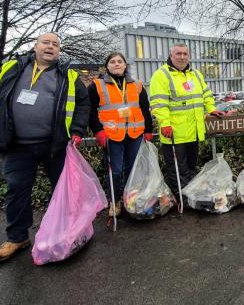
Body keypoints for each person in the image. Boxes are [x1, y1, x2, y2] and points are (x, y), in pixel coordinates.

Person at [0, 32, 90, 263]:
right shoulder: (11, 69)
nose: (50, 47)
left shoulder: (68, 75)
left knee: (63, 191)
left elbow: (82, 103)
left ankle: (65, 233)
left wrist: (77, 130)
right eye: (45, 42)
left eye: (55, 44)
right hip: (17, 145)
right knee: (16, 190)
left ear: (59, 51)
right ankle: (17, 237)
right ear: (35, 46)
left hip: (54, 145)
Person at [149, 43, 224, 197]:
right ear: (171, 55)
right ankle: (181, 197)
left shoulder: (195, 74)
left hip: (194, 131)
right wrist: (164, 123)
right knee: (177, 168)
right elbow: (158, 103)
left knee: (190, 166)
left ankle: (191, 195)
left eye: (185, 54)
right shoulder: (161, 75)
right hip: (174, 133)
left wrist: (211, 108)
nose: (182, 57)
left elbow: (206, 94)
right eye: (178, 54)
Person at [88, 52, 154, 217]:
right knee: (115, 171)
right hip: (111, 136)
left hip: (134, 134)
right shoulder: (96, 85)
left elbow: (145, 109)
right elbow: (89, 111)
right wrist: (98, 131)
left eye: (120, 61)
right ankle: (114, 201)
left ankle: (130, 199)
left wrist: (148, 130)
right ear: (107, 66)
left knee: (132, 169)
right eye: (112, 62)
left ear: (125, 65)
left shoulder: (137, 85)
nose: (116, 64)